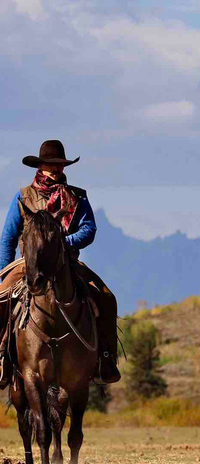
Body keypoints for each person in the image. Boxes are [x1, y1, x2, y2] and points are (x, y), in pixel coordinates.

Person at [0, 140, 121, 388]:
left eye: (60, 164)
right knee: (0, 298)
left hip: (67, 261)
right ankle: (2, 357)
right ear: (40, 166)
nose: (55, 169)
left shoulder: (77, 196)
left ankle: (106, 358)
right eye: (50, 164)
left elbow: (89, 229)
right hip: (28, 264)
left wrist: (63, 243)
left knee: (107, 298)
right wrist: (4, 273)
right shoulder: (23, 196)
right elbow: (8, 238)